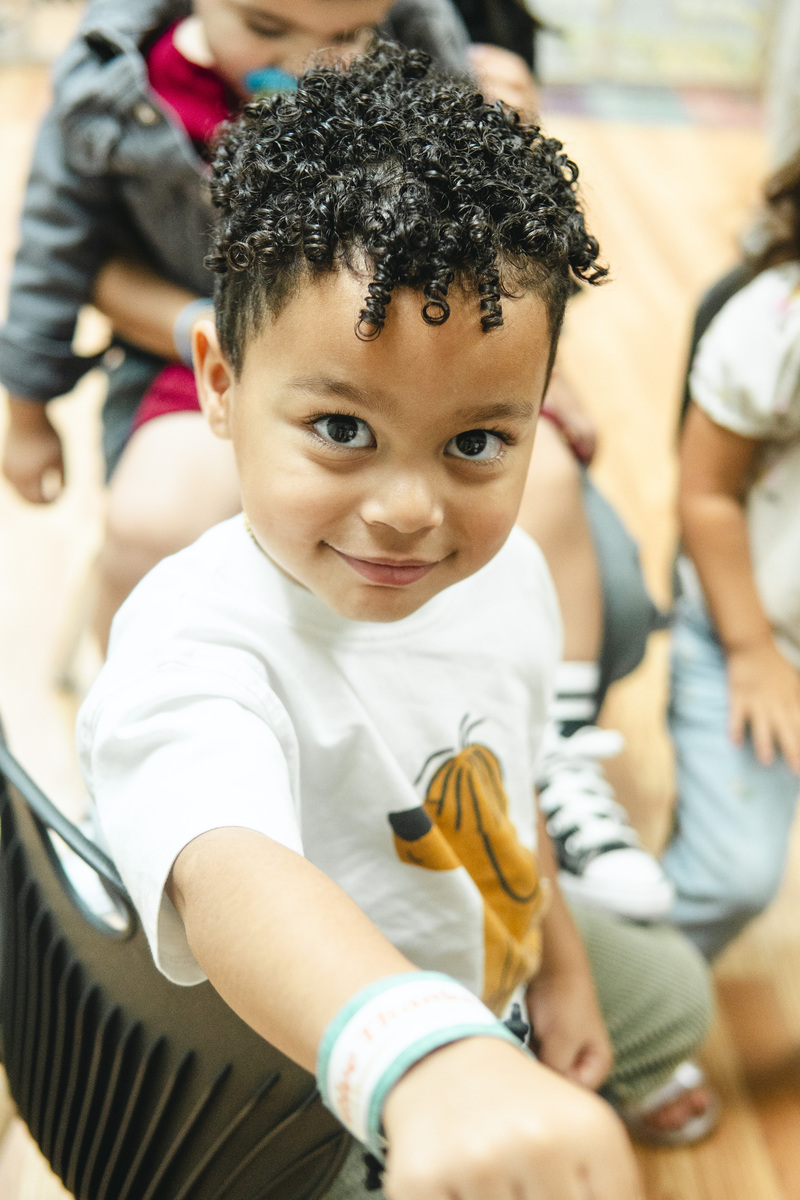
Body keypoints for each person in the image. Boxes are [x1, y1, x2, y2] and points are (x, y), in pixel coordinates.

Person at [76, 47, 717, 1200]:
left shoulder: (506, 573)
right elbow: (228, 870)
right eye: (341, 429)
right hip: (303, 1049)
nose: (410, 510)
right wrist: (419, 1056)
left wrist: (559, 965)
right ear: (219, 384)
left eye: (475, 443)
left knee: (667, 995)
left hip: (479, 948)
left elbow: (507, 794)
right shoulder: (192, 637)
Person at [661, 147, 800, 960]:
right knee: (730, 877)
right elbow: (707, 494)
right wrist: (751, 650)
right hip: (749, 633)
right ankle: (632, 1016)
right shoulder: (775, 325)